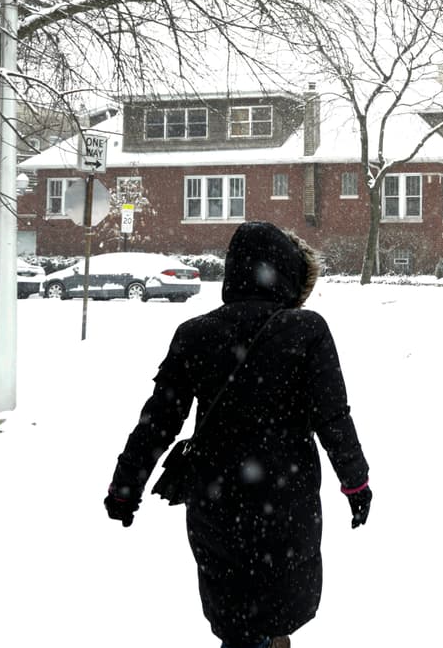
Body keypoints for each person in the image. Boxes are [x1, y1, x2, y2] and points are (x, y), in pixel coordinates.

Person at [103, 221, 371, 648]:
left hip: (217, 501)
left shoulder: (195, 334)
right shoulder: (307, 330)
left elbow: (158, 422)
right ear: (287, 272)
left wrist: (125, 487)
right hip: (287, 501)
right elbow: (333, 417)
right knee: (279, 605)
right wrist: (355, 482)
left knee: (235, 615)